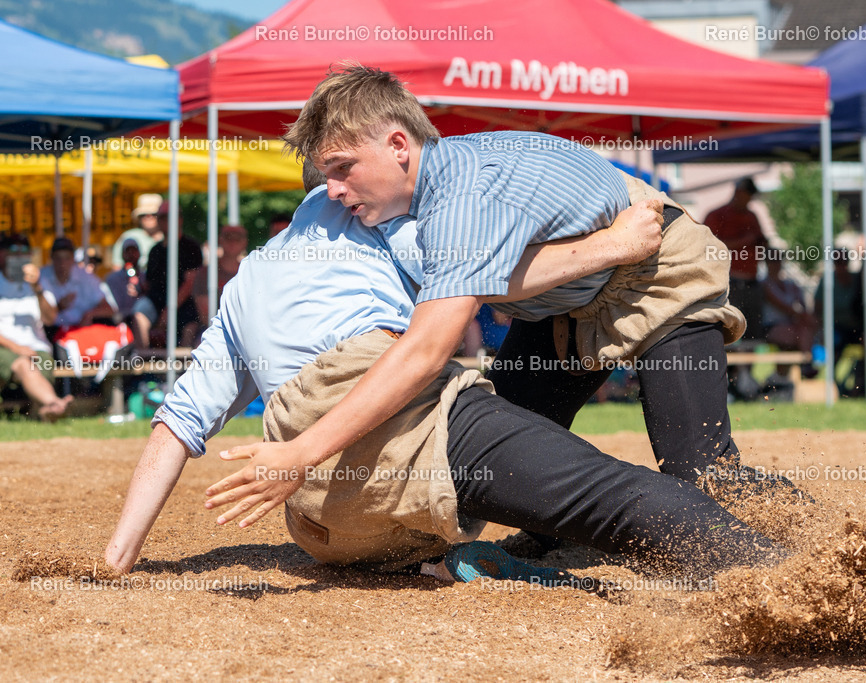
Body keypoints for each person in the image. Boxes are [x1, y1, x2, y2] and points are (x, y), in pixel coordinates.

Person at [104, 185, 784, 578]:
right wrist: (615, 246)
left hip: (335, 527)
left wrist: (118, 555)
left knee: (526, 461)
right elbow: (481, 273)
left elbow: (176, 425)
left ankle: (532, 547)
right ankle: (783, 572)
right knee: (615, 492)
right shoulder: (357, 211)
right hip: (384, 417)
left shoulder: (241, 294)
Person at [223, 64, 798, 519]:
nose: (332, 189)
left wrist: (301, 453)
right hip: (572, 302)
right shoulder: (419, 201)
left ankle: (829, 543)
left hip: (655, 276)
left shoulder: (461, 196)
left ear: (399, 144)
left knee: (705, 477)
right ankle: (563, 540)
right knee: (500, 460)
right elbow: (491, 274)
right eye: (325, 175)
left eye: (342, 168)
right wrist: (603, 249)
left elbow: (426, 352)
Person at [0, 233, 73, 420]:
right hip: (5, 349)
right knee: (24, 364)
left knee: (32, 364)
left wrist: (37, 288)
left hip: (38, 350)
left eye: (25, 251)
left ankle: (45, 410)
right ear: (2, 254)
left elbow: (50, 319)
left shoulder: (39, 283)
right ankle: (53, 404)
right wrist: (17, 348)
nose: (19, 256)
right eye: (13, 251)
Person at [704, 177, 768, 339]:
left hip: (752, 282)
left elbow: (759, 240)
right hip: (729, 283)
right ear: (738, 192)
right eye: (748, 195)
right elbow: (709, 247)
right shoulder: (717, 216)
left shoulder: (752, 216)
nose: (749, 200)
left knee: (752, 332)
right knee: (731, 330)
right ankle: (730, 364)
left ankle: (748, 364)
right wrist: (743, 241)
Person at [136, 201, 203, 348]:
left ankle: (184, 370)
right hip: (157, 303)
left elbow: (190, 283)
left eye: (169, 217)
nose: (164, 221)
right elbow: (149, 284)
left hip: (183, 305)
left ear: (180, 219)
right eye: (161, 217)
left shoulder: (191, 247)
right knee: (139, 317)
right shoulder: (155, 251)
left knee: (189, 331)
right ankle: (144, 366)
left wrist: (168, 311)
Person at [39, 237, 114, 329]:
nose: (62, 263)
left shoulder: (86, 277)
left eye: (67, 258)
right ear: (52, 259)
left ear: (73, 259)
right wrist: (59, 307)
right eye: (58, 258)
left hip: (82, 331)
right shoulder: (41, 276)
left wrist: (90, 314)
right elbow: (42, 317)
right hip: (53, 331)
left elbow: (109, 309)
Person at [762, 249, 817, 357]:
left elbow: (803, 305)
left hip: (792, 326)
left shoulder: (790, 284)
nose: (776, 263)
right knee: (801, 334)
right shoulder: (764, 285)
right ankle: (807, 363)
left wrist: (804, 317)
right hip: (770, 327)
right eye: (772, 260)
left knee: (803, 331)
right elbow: (783, 307)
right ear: (766, 262)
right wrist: (804, 317)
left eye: (778, 259)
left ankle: (804, 363)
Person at [193, 224, 247, 327]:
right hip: (213, 329)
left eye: (237, 239)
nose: (233, 243)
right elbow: (205, 314)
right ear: (220, 240)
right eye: (228, 238)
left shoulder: (248, 272)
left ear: (245, 242)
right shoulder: (206, 273)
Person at [112, 194, 164, 270]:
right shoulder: (128, 237)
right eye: (144, 215)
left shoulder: (169, 239)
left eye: (153, 214)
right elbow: (117, 267)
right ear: (139, 218)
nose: (149, 217)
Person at [102, 239, 146, 324]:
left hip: (140, 319)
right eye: (127, 251)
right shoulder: (112, 278)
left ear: (139, 253)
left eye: (134, 251)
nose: (131, 255)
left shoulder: (146, 277)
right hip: (119, 320)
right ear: (122, 254)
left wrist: (141, 290)